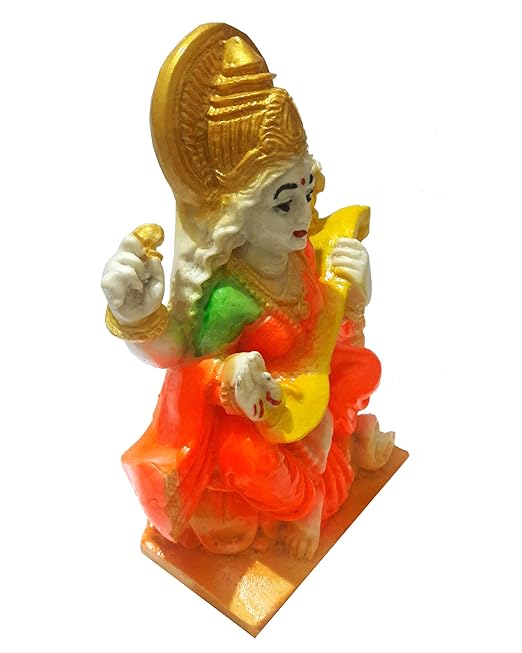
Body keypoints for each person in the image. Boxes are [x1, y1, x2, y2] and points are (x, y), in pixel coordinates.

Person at [101, 25, 394, 560]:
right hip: (261, 418)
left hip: (310, 395)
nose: (305, 215)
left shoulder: (301, 252)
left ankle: (339, 442)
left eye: (308, 191)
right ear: (236, 219)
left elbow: (328, 329)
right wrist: (140, 317)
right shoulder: (230, 297)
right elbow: (186, 357)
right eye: (284, 204)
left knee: (365, 369)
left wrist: (357, 294)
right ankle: (308, 499)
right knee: (245, 460)